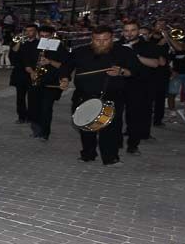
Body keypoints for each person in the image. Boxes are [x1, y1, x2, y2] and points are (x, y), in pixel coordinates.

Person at [61, 26, 139, 166]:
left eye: (105, 40)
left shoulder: (123, 52)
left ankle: (110, 157)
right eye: (97, 40)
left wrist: (121, 71)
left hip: (112, 96)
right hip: (84, 95)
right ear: (92, 39)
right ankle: (88, 154)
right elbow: (66, 67)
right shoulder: (80, 52)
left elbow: (134, 71)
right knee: (86, 127)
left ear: (112, 38)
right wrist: (64, 79)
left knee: (111, 128)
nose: (102, 43)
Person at [119, 20, 163, 153]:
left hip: (139, 86)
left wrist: (135, 55)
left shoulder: (148, 46)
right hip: (118, 85)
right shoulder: (116, 45)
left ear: (138, 31)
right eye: (126, 30)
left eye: (132, 30)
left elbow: (155, 64)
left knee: (134, 117)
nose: (129, 33)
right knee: (115, 116)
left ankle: (133, 144)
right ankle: (116, 142)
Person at [27, 24, 68, 142]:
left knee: (46, 108)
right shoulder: (33, 45)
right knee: (33, 107)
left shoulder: (59, 47)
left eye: (47, 36)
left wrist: (49, 61)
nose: (44, 39)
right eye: (41, 36)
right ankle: (36, 130)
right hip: (36, 81)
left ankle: (45, 133)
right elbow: (26, 62)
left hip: (51, 83)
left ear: (52, 36)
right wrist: (31, 72)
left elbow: (64, 65)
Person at [10, 23, 40, 123]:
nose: (28, 33)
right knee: (20, 97)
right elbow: (14, 52)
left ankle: (32, 117)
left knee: (33, 97)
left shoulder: (39, 43)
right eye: (26, 31)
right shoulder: (21, 42)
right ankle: (21, 117)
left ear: (36, 32)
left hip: (34, 72)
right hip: (20, 73)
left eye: (31, 30)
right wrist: (20, 41)